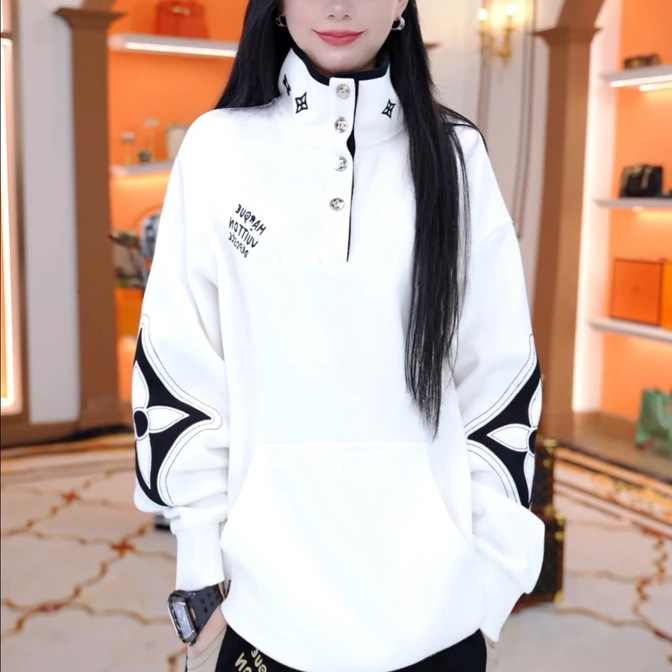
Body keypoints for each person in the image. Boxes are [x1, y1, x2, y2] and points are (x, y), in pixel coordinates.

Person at [131, 1, 545, 671]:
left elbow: (499, 377)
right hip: (265, 609)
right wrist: (201, 559)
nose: (339, 5)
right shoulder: (218, 149)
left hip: (436, 619)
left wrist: (491, 577)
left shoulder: (457, 156)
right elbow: (182, 365)